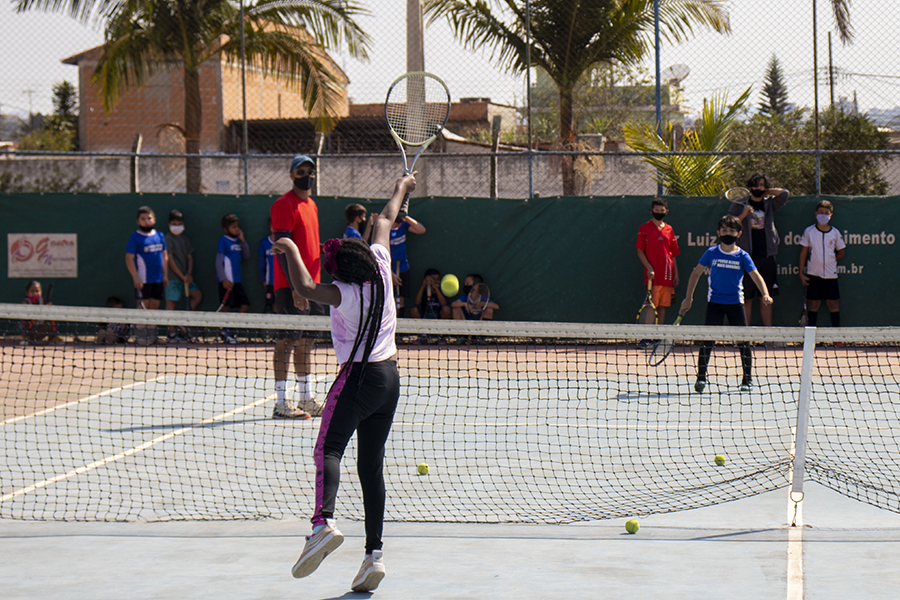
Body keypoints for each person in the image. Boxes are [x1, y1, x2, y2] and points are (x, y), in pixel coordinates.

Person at [274, 172, 416, 593]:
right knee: (371, 466)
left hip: (356, 378)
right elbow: (387, 219)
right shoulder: (383, 267)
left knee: (328, 448)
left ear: (344, 271)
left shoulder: (343, 293)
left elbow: (301, 284)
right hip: (389, 378)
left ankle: (322, 524)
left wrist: (288, 247)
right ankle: (374, 555)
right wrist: (402, 188)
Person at [680, 215, 773, 393]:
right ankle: (701, 378)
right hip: (714, 303)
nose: (727, 233)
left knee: (743, 343)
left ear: (739, 233)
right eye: (724, 230)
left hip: (736, 304)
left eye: (731, 231)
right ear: (718, 233)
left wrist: (765, 294)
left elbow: (755, 276)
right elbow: (695, 274)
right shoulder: (711, 253)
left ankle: (747, 380)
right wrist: (688, 298)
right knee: (707, 342)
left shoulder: (743, 256)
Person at [270, 154, 326, 419]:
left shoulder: (312, 205)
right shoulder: (283, 204)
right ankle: (281, 403)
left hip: (313, 285)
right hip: (290, 286)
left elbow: (309, 245)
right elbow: (281, 249)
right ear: (291, 175)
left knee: (307, 342)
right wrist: (295, 287)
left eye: (310, 171)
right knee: (287, 341)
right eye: (301, 171)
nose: (307, 176)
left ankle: (305, 398)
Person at [727, 173, 788, 326]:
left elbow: (784, 194)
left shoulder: (769, 204)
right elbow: (729, 224)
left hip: (767, 256)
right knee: (746, 297)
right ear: (750, 187)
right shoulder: (739, 205)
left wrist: (766, 192)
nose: (758, 188)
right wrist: (743, 214)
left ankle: (768, 337)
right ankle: (745, 337)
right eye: (755, 185)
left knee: (765, 297)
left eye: (761, 185)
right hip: (746, 257)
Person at [798, 200, 846, 327]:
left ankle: (837, 337)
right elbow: (803, 253)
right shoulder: (809, 231)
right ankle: (811, 339)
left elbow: (842, 252)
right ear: (815, 214)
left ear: (831, 215)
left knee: (833, 305)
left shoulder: (835, 232)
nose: (823, 215)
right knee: (813, 305)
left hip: (831, 275)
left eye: (826, 213)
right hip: (813, 274)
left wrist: (831, 260)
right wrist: (801, 273)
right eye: (821, 213)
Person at [636, 197, 680, 325]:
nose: (659, 212)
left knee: (662, 307)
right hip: (652, 276)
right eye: (656, 210)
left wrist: (675, 274)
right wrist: (649, 268)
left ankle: (657, 337)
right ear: (651, 211)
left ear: (666, 211)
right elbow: (640, 251)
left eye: (662, 210)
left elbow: (673, 254)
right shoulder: (645, 228)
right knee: (651, 306)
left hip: (667, 275)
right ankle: (648, 337)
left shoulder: (669, 229)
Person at [164, 209, 202, 342]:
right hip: (173, 278)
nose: (176, 226)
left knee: (197, 295)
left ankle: (181, 321)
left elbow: (189, 258)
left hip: (186, 278)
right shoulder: (167, 239)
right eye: (174, 223)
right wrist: (181, 276)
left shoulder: (185, 239)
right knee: (171, 303)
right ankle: (172, 334)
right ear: (169, 224)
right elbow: (169, 260)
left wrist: (188, 275)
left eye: (179, 223)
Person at [216, 213, 251, 342]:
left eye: (237, 226)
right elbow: (218, 262)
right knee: (226, 308)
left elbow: (247, 256)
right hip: (226, 282)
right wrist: (223, 279)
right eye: (233, 227)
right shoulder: (223, 241)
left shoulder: (238, 241)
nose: (237, 229)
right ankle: (225, 333)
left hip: (237, 281)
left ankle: (226, 328)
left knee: (245, 304)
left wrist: (243, 241)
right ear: (226, 229)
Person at [126, 206, 168, 310]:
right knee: (143, 307)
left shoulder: (160, 236)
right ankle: (139, 327)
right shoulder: (135, 238)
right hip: (143, 279)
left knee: (155, 307)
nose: (146, 221)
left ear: (154, 220)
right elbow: (129, 258)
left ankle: (152, 327)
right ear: (138, 221)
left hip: (158, 279)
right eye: (143, 219)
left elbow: (164, 255)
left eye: (149, 218)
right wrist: (135, 276)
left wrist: (165, 275)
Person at [389, 214, 426, 317]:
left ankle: (399, 322)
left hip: (402, 267)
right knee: (388, 297)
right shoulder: (386, 229)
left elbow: (421, 230)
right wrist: (391, 274)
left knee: (401, 298)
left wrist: (406, 218)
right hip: (388, 268)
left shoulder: (404, 225)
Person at [258, 217, 276, 313]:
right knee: (274, 305)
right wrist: (263, 280)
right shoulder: (264, 243)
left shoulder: (286, 242)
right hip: (270, 283)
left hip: (284, 283)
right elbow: (261, 265)